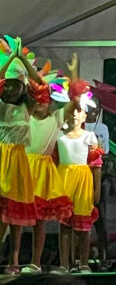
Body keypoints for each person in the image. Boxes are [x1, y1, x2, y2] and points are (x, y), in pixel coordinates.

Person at [22, 56, 82, 273]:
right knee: (15, 217)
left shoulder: (55, 118)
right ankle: (13, 260)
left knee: (39, 220)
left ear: (50, 101)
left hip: (42, 171)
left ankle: (35, 262)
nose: (39, 103)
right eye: (35, 99)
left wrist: (73, 73)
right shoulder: (25, 117)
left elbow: (74, 102)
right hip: (23, 168)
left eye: (43, 99)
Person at [0, 36, 39, 275]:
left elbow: (42, 86)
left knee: (15, 212)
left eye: (16, 84)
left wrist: (22, 60)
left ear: (24, 86)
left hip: (18, 161)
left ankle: (14, 260)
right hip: (1, 159)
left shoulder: (28, 106)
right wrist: (9, 60)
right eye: (7, 84)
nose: (10, 88)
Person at [55, 100, 103, 274]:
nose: (75, 114)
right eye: (72, 111)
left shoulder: (89, 136)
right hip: (64, 179)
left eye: (79, 111)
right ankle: (64, 265)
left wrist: (97, 190)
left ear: (84, 115)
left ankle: (84, 263)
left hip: (83, 181)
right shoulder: (59, 135)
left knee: (83, 226)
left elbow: (96, 166)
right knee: (64, 225)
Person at [84, 95, 112, 264]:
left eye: (96, 107)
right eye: (90, 107)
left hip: (99, 174)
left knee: (100, 216)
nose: (93, 111)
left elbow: (106, 151)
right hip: (81, 173)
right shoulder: (79, 125)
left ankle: (104, 256)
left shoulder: (103, 128)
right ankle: (79, 256)